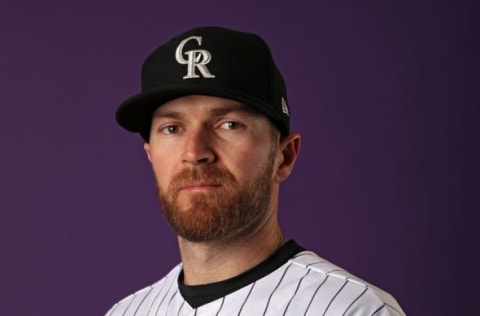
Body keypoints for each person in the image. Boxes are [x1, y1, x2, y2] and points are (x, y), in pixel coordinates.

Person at [106, 26, 405, 316]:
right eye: (172, 128)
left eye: (229, 125)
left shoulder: (354, 310)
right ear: (151, 156)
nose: (195, 153)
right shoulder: (126, 312)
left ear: (284, 156)